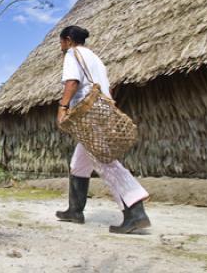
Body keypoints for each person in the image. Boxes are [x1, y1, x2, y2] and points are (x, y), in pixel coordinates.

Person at [55, 25, 151, 233]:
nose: (61, 46)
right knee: (79, 164)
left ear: (68, 40)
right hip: (101, 111)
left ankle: (135, 212)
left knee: (105, 161)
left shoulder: (73, 53)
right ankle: (75, 210)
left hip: (88, 115)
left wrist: (62, 108)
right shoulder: (95, 58)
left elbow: (72, 82)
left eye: (61, 42)